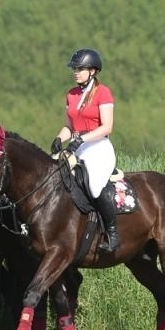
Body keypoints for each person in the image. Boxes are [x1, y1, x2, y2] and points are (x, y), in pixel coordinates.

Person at [54, 47, 121, 258]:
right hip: (76, 146)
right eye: (75, 68)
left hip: (98, 147)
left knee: (94, 186)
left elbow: (107, 127)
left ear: (92, 71)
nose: (75, 72)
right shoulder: (71, 95)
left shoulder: (103, 93)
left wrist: (80, 139)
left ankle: (112, 234)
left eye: (80, 68)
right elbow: (69, 126)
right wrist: (58, 138)